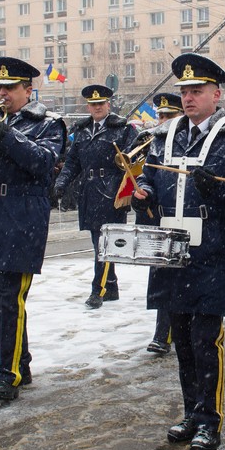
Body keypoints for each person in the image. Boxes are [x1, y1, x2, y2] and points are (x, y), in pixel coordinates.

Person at [132, 53, 225, 450]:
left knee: (206, 338)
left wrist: (218, 189)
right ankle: (191, 412)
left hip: (213, 247)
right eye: (184, 91)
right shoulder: (164, 134)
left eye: (197, 91)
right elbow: (150, 176)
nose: (189, 98)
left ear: (216, 94)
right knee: (182, 338)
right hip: (170, 245)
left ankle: (210, 421)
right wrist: (145, 194)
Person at [0, 57, 67, 401]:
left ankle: (9, 374)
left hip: (21, 216)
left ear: (28, 90)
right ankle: (21, 361)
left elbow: (43, 163)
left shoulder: (48, 123)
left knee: (9, 298)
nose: (2, 93)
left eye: (10, 88)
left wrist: (5, 135)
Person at [53, 84, 137, 309]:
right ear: (88, 106)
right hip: (89, 191)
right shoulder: (81, 130)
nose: (97, 107)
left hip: (112, 190)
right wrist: (61, 182)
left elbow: (135, 159)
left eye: (101, 103)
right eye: (93, 104)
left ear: (108, 104)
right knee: (97, 241)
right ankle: (111, 286)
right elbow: (73, 161)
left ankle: (97, 290)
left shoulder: (122, 129)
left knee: (105, 243)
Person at [145, 92, 183, 356]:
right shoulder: (156, 142)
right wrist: (143, 192)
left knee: (180, 274)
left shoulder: (184, 141)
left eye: (169, 115)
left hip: (184, 217)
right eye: (160, 115)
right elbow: (149, 176)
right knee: (161, 273)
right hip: (160, 216)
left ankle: (169, 333)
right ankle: (162, 333)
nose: (163, 120)